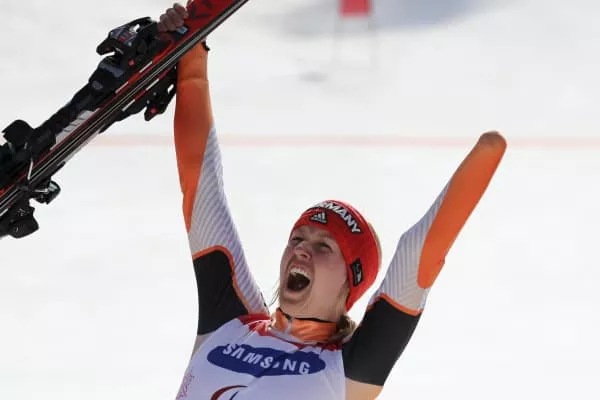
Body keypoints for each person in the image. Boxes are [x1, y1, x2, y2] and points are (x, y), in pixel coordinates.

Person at [158, 3, 507, 399]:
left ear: (350, 280)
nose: (301, 250)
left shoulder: (348, 367)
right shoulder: (231, 324)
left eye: (324, 246)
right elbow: (201, 185)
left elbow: (419, 253)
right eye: (298, 238)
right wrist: (190, 53)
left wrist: (485, 154)